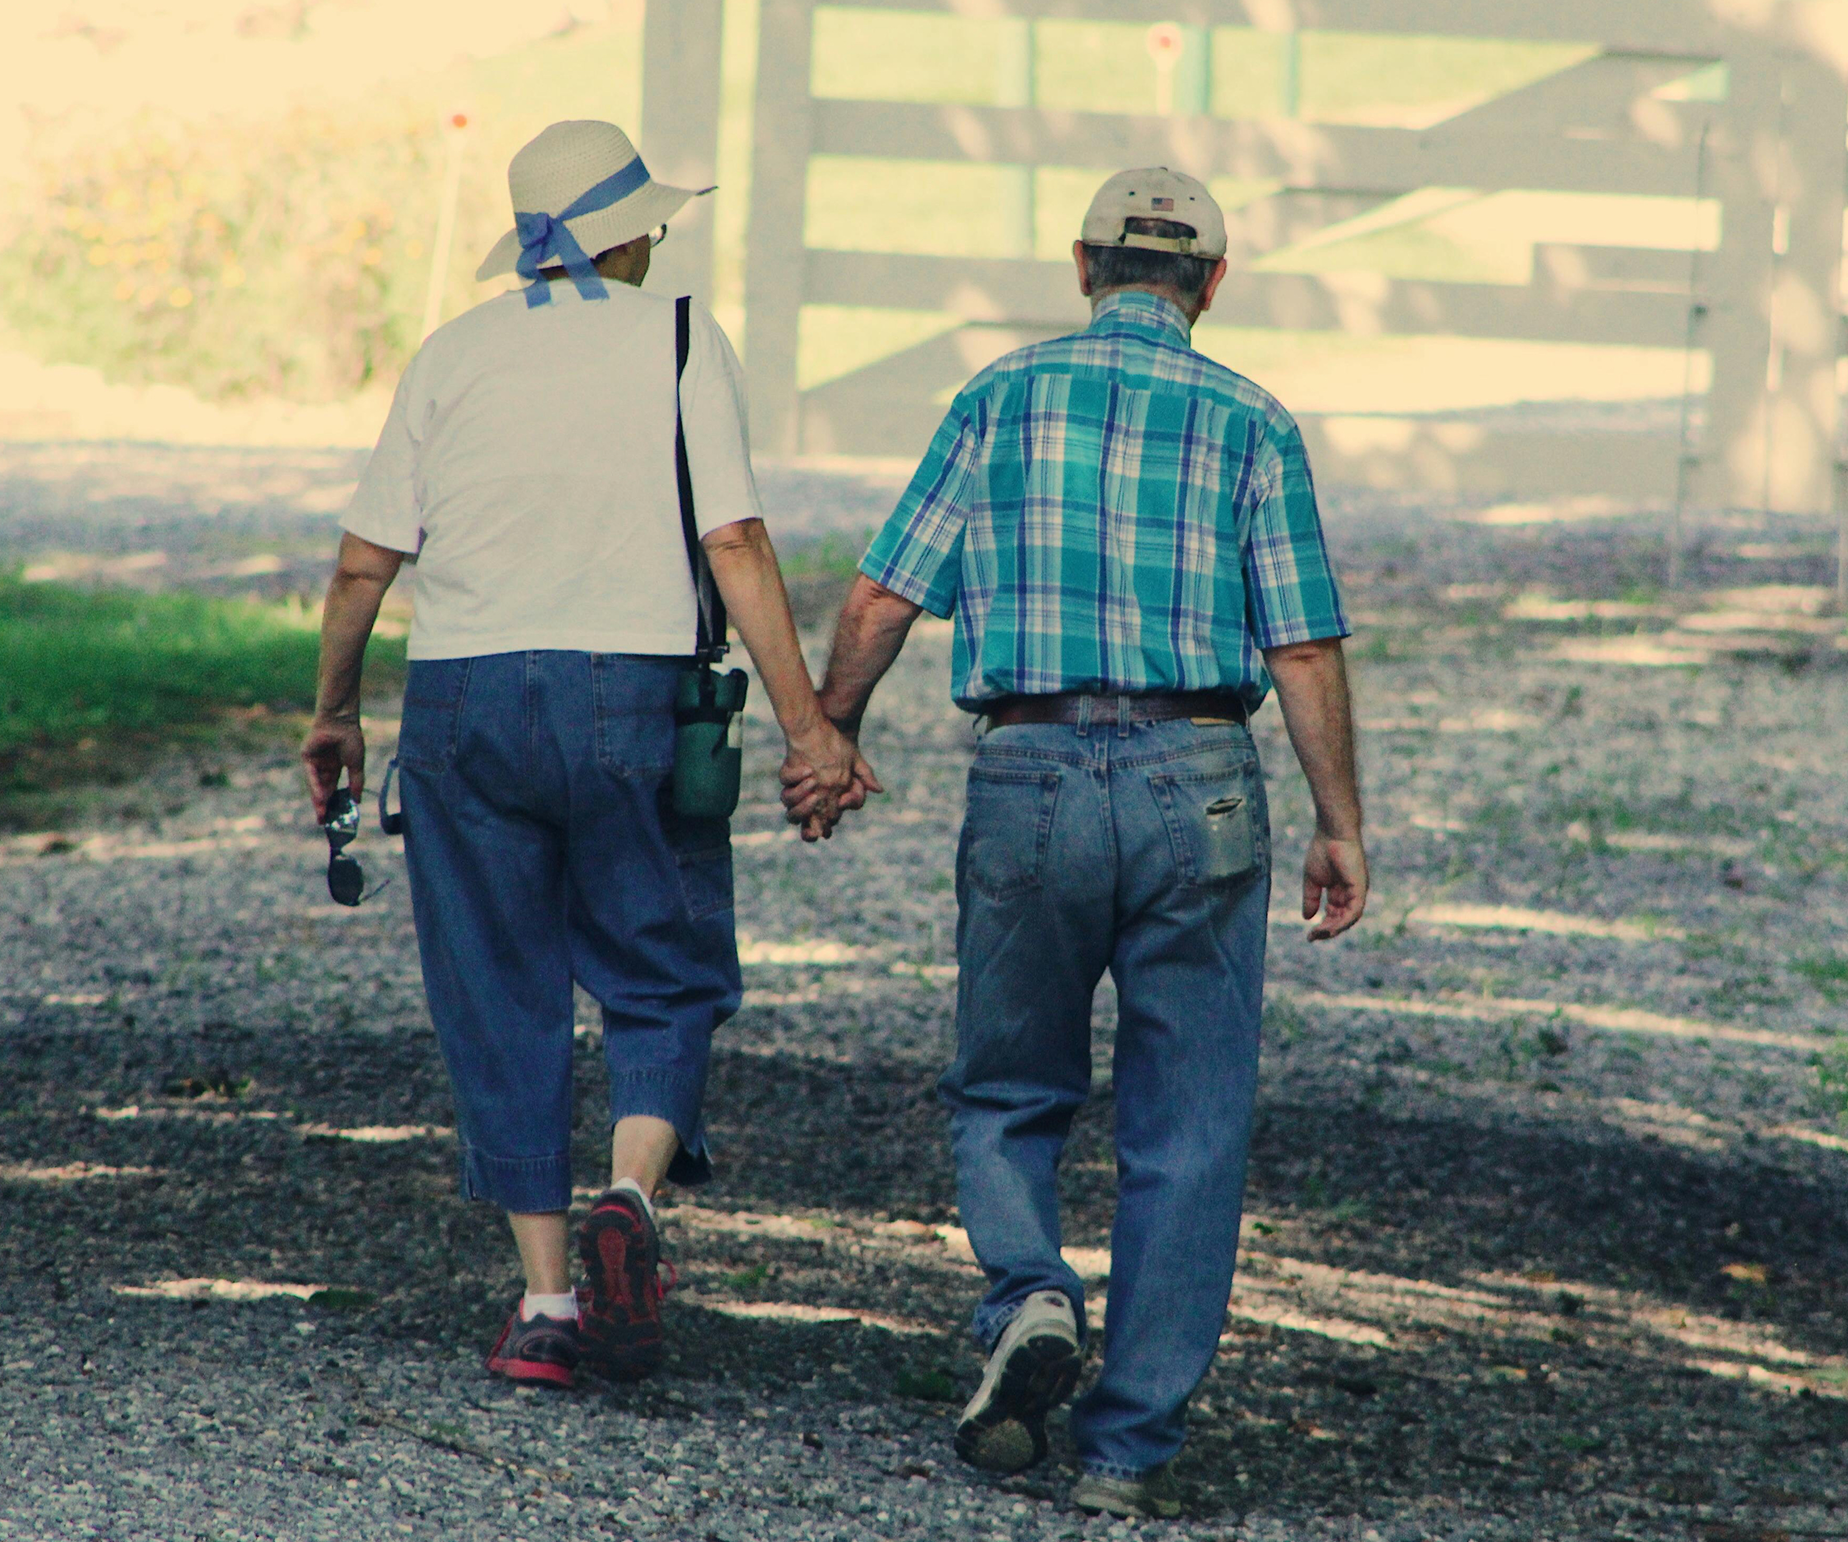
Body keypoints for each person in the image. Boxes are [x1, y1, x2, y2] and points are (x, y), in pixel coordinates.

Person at [791, 167, 1367, 1519]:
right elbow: (1300, 640)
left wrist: (828, 735)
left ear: (1081, 265)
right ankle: (1125, 1448)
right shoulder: (1253, 421)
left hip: (1031, 767)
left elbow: (883, 595)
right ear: (1211, 284)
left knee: (1005, 1084)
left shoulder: (997, 399)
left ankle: (1028, 1289)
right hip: (1201, 776)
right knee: (1191, 1121)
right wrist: (1338, 819)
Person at [302, 120, 867, 1391]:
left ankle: (550, 1301)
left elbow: (361, 564)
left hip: (464, 701)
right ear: (624, 235)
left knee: (497, 992)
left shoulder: (449, 355)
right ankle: (632, 1192)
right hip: (631, 692)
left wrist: (335, 710)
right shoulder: (676, 338)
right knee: (660, 969)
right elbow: (734, 542)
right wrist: (809, 728)